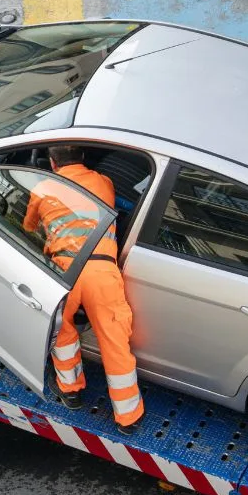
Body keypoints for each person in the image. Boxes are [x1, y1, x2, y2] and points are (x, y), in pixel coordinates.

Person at [22, 146, 144, 434]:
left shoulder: (43, 188)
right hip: (102, 270)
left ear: (52, 163)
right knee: (114, 342)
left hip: (64, 270)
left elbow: (28, 227)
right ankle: (128, 418)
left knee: (62, 332)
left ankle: (71, 391)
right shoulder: (104, 182)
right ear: (84, 158)